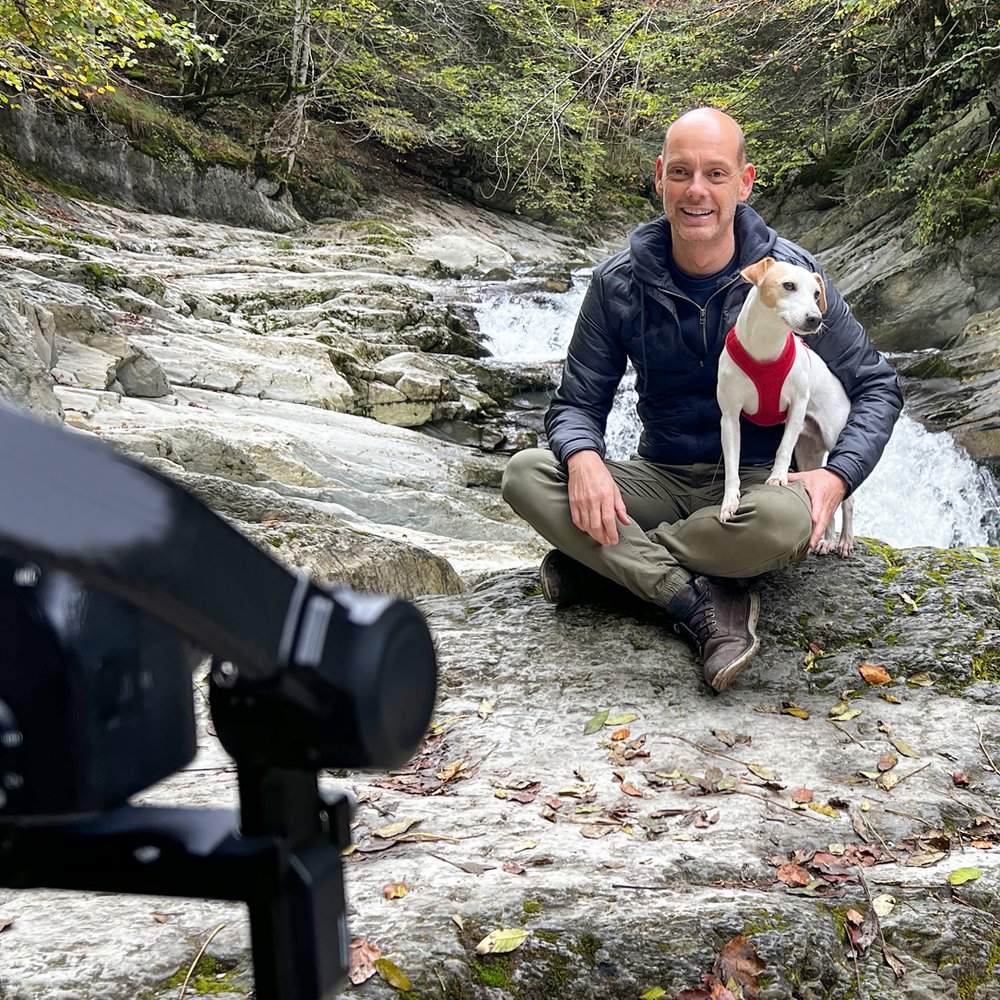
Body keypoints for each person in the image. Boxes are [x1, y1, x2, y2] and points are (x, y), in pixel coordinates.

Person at [501, 107, 902, 693]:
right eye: (681, 172)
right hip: (659, 477)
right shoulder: (618, 283)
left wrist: (836, 477)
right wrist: (583, 456)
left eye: (716, 174)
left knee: (783, 524)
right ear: (659, 177)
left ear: (744, 182)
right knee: (527, 473)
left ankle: (612, 567)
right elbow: (575, 405)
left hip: (763, 483)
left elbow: (877, 385)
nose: (697, 191)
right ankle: (695, 593)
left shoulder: (794, 276)